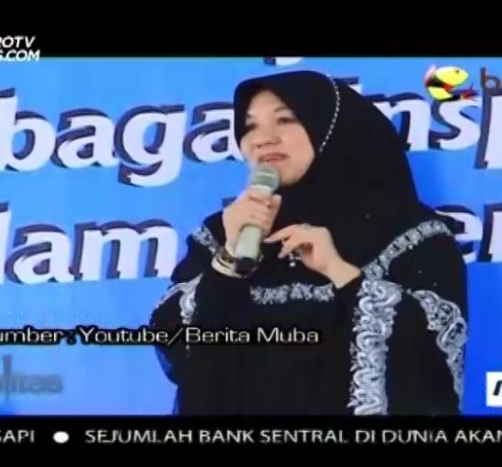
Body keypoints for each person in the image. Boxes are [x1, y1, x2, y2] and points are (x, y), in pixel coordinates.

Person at [150, 69, 469, 415]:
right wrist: (228, 261)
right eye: (249, 126)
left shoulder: (412, 233)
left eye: (284, 119)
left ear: (329, 128)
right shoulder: (225, 231)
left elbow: (434, 358)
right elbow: (176, 347)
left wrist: (341, 273)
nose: (262, 139)